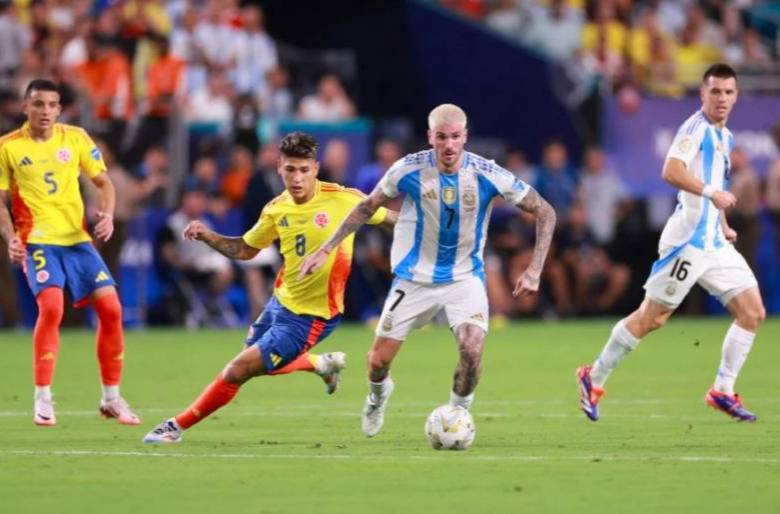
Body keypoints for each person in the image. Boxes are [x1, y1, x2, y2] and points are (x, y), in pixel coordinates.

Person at [300, 104, 557, 437]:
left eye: (455, 137)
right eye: (441, 137)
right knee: (377, 362)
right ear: (429, 137)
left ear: (465, 136)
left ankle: (458, 415)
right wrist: (326, 248)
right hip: (414, 279)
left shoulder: (487, 173)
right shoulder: (407, 169)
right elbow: (367, 207)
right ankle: (378, 397)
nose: (448, 145)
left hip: (465, 278)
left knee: (471, 348)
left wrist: (535, 268)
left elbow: (545, 211)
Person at [143, 132, 397, 443]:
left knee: (238, 370)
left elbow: (389, 218)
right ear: (279, 168)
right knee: (259, 363)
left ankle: (175, 427)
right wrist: (208, 236)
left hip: (312, 317)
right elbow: (247, 250)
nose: (297, 178)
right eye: (290, 170)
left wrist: (430, 225)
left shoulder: (343, 198)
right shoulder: (276, 208)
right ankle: (320, 364)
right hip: (280, 302)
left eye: (304, 170)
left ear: (316, 168)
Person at [576, 64, 766, 423]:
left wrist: (722, 222)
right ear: (702, 94)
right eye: (715, 92)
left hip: (714, 242)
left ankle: (722, 391)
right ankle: (593, 376)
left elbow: (712, 183)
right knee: (653, 318)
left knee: (752, 313)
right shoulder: (694, 128)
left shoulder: (725, 137)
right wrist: (713, 193)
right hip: (688, 243)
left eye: (728, 92)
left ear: (736, 95)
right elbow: (671, 170)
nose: (721, 98)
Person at [0, 79, 139, 426]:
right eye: (38, 104)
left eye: (51, 105)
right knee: (51, 307)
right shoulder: (8, 147)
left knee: (111, 308)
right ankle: (43, 398)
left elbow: (103, 182)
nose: (45, 111)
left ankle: (111, 398)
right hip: (37, 240)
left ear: (60, 109)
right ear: (25, 107)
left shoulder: (75, 137)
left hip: (76, 240)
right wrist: (10, 237)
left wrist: (107, 213)